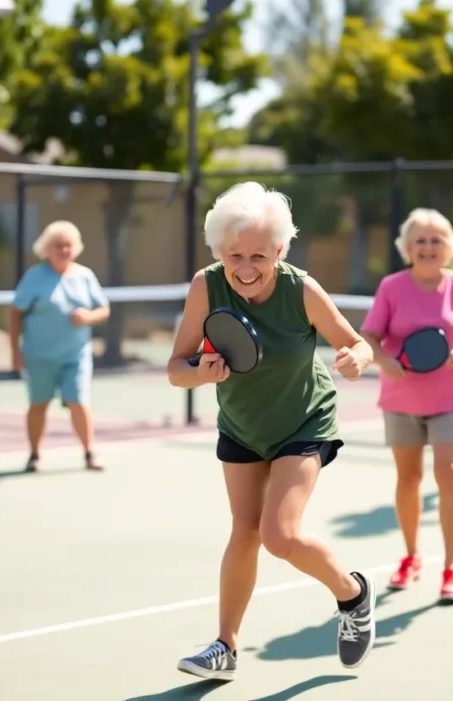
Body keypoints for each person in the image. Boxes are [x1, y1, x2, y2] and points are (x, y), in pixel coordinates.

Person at [166, 182, 377, 681]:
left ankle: (353, 594)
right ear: (219, 250)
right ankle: (225, 648)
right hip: (242, 424)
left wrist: (355, 359)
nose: (244, 266)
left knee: (280, 535)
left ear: (280, 250)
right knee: (245, 532)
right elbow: (176, 366)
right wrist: (202, 372)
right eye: (233, 253)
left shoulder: (300, 289)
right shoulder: (206, 284)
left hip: (303, 420)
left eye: (258, 255)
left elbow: (358, 344)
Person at [360, 208, 453, 603]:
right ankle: (411, 557)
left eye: (436, 240)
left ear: (449, 247)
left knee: (449, 474)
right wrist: (384, 362)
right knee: (408, 479)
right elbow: (368, 335)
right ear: (407, 247)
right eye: (420, 240)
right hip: (401, 397)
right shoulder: (391, 287)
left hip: (452, 397)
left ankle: (451, 567)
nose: (427, 247)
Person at [9, 220, 110, 473]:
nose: (63, 250)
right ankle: (34, 455)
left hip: (76, 354)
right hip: (39, 355)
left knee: (79, 401)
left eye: (68, 245)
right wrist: (15, 352)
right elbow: (14, 312)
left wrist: (89, 317)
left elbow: (103, 309)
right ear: (46, 248)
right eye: (58, 245)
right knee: (39, 403)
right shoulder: (34, 277)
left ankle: (89, 453)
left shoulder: (85, 275)